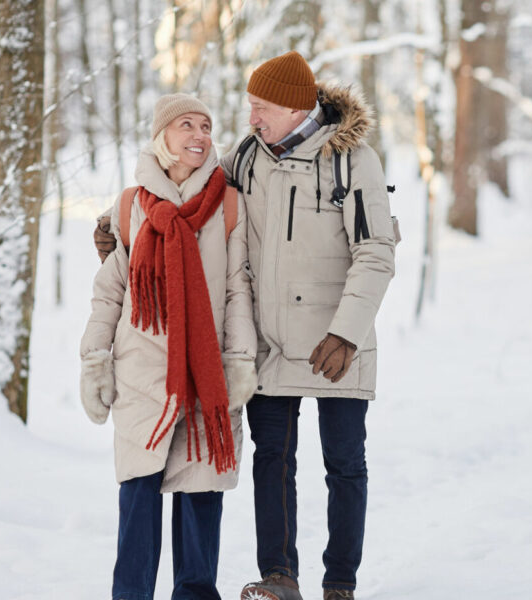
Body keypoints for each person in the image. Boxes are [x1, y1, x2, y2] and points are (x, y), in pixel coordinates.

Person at [94, 51, 396, 600]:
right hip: (269, 341)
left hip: (336, 341)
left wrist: (348, 331)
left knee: (344, 463)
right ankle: (280, 577)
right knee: (273, 460)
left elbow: (376, 251)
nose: (251, 117)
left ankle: (340, 582)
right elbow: (188, 187)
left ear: (295, 107)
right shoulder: (249, 157)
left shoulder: (352, 161)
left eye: (262, 107)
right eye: (250, 106)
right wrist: (116, 224)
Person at [80, 93, 258, 600]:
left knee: (200, 497)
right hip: (142, 375)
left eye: (206, 126)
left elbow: (237, 290)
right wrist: (95, 358)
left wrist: (239, 359)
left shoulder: (227, 204)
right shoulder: (130, 205)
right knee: (138, 498)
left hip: (205, 374)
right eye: (187, 125)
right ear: (162, 136)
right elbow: (110, 291)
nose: (200, 135)